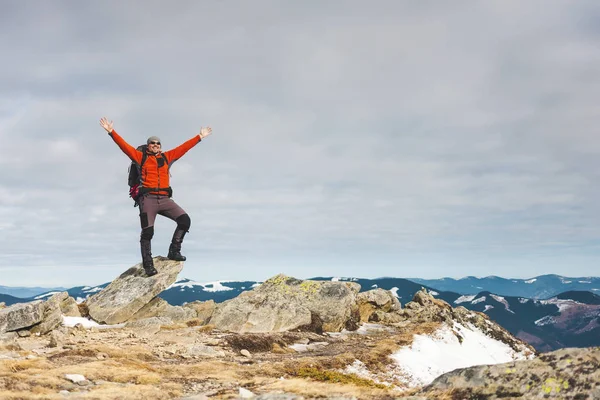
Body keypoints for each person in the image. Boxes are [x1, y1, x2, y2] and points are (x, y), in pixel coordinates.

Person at [99, 117, 212, 276]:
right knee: (147, 232)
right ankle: (148, 266)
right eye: (152, 143)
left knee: (185, 220)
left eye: (158, 144)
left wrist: (199, 137)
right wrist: (111, 132)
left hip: (165, 200)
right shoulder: (140, 157)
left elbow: (184, 148)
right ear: (148, 146)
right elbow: (124, 147)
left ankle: (174, 250)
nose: (155, 145)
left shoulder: (167, 157)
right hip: (148, 200)